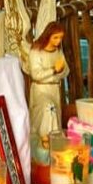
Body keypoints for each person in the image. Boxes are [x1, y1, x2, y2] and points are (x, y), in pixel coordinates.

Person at [28, 22, 70, 161]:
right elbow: (36, 74)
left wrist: (58, 72)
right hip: (41, 90)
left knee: (54, 113)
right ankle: (45, 139)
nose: (58, 41)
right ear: (48, 36)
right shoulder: (35, 51)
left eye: (60, 38)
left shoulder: (58, 52)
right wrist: (53, 70)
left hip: (54, 89)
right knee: (48, 108)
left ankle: (53, 143)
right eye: (55, 38)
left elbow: (65, 71)